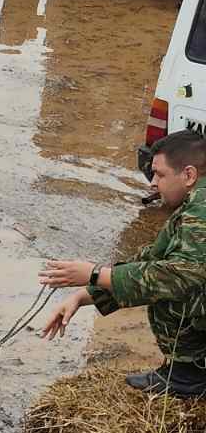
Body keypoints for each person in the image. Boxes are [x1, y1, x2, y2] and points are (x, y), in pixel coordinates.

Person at [41, 127, 206, 398]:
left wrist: (94, 273)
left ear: (188, 175)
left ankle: (188, 375)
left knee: (166, 288)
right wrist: (83, 296)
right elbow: (153, 257)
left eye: (160, 174)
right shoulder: (194, 205)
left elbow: (179, 276)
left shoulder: (202, 208)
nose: (152, 183)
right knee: (153, 272)